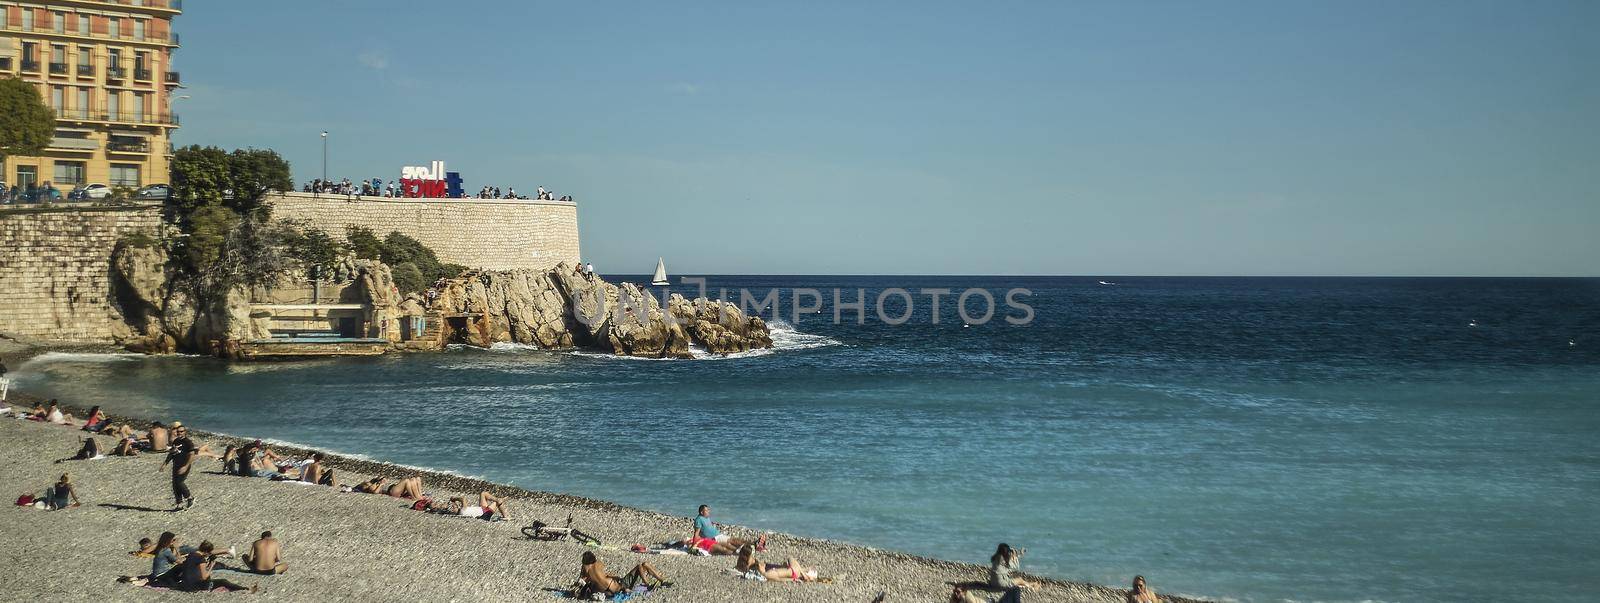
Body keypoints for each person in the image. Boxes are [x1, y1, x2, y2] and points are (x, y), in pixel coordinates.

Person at [577, 551, 668, 599]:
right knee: (642, 565)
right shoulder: (597, 564)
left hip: (607, 591)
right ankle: (653, 583)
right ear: (593, 558)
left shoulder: (586, 570)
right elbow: (604, 574)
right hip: (619, 586)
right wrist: (615, 577)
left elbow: (583, 580)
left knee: (643, 566)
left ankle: (655, 581)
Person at [179, 541, 254, 592]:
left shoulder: (191, 554)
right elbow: (204, 577)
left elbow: (195, 570)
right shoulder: (201, 559)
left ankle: (243, 589)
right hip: (195, 587)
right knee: (223, 581)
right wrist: (211, 566)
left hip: (185, 584)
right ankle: (244, 589)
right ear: (206, 552)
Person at [685, 504, 760, 555]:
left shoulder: (706, 517)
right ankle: (745, 550)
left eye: (708, 510)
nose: (709, 511)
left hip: (718, 535)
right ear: (701, 512)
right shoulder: (698, 520)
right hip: (713, 538)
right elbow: (696, 533)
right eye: (707, 510)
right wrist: (693, 546)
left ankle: (752, 544)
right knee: (730, 542)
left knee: (735, 540)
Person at [162, 423, 199, 511]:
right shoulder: (176, 441)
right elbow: (171, 453)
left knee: (179, 482)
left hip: (184, 465)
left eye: (181, 431)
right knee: (175, 484)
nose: (179, 433)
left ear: (185, 432)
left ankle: (190, 498)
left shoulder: (188, 442)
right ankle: (179, 504)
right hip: (176, 465)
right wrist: (165, 464)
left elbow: (192, 455)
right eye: (178, 432)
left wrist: (186, 466)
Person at [734, 545, 822, 582]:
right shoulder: (764, 571)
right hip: (794, 571)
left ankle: (805, 571)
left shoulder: (746, 565)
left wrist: (793, 580)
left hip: (792, 574)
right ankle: (804, 572)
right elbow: (777, 579)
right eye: (752, 554)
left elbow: (779, 579)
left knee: (785, 564)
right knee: (790, 558)